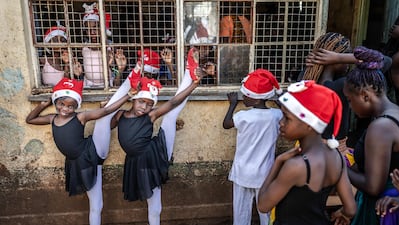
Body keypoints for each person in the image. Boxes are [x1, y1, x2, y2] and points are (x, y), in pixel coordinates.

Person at [110, 47, 208, 225]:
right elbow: (107, 121)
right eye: (141, 102)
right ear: (133, 99)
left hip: (153, 155)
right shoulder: (120, 116)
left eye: (149, 104)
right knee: (150, 201)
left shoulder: (150, 115)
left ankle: (189, 74)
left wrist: (194, 85)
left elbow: (173, 102)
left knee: (170, 116)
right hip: (134, 161)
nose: (144, 107)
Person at [26, 77, 132, 225]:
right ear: (56, 101)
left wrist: (129, 96)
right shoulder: (52, 118)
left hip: (91, 152)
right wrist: (43, 104)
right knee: (96, 203)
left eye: (70, 106)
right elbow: (30, 119)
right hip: (78, 163)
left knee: (104, 116)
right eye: (61, 104)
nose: (65, 109)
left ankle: (129, 83)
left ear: (76, 106)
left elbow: (108, 110)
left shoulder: (80, 117)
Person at [257, 80, 357, 225]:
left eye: (287, 118)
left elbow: (263, 205)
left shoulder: (295, 166)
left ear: (309, 125)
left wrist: (278, 162)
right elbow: (351, 209)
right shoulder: (337, 157)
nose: (281, 123)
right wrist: (341, 213)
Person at [342, 46, 399, 225]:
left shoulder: (380, 127)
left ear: (365, 96)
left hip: (381, 210)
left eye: (350, 100)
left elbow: (374, 187)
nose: (350, 107)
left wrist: (339, 166)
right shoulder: (397, 112)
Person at [222, 69, 283, 225]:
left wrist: (232, 105)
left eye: (246, 95)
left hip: (242, 172)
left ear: (256, 100)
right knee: (266, 212)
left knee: (241, 212)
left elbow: (226, 124)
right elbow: (289, 116)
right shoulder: (276, 115)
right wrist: (282, 103)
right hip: (264, 173)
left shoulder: (243, 116)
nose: (243, 98)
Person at [302, 32, 352, 154]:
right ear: (335, 60)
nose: (348, 63)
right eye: (346, 58)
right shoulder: (340, 86)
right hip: (334, 153)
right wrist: (340, 57)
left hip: (307, 149)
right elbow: (384, 61)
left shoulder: (305, 79)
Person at [81, 2, 126, 87]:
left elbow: (115, 71)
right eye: (88, 29)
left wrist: (113, 67)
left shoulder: (110, 47)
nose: (92, 33)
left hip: (108, 84)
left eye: (95, 28)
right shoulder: (84, 47)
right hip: (87, 85)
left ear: (102, 28)